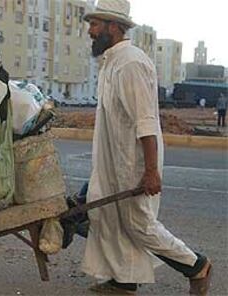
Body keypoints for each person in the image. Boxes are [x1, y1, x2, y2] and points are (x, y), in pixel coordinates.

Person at [81, 0, 212, 295]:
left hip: (133, 163)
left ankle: (196, 265)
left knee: (139, 224)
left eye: (95, 24)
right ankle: (124, 279)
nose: (90, 31)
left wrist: (151, 171)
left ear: (114, 27)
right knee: (109, 217)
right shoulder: (111, 62)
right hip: (113, 160)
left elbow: (146, 122)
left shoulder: (131, 63)